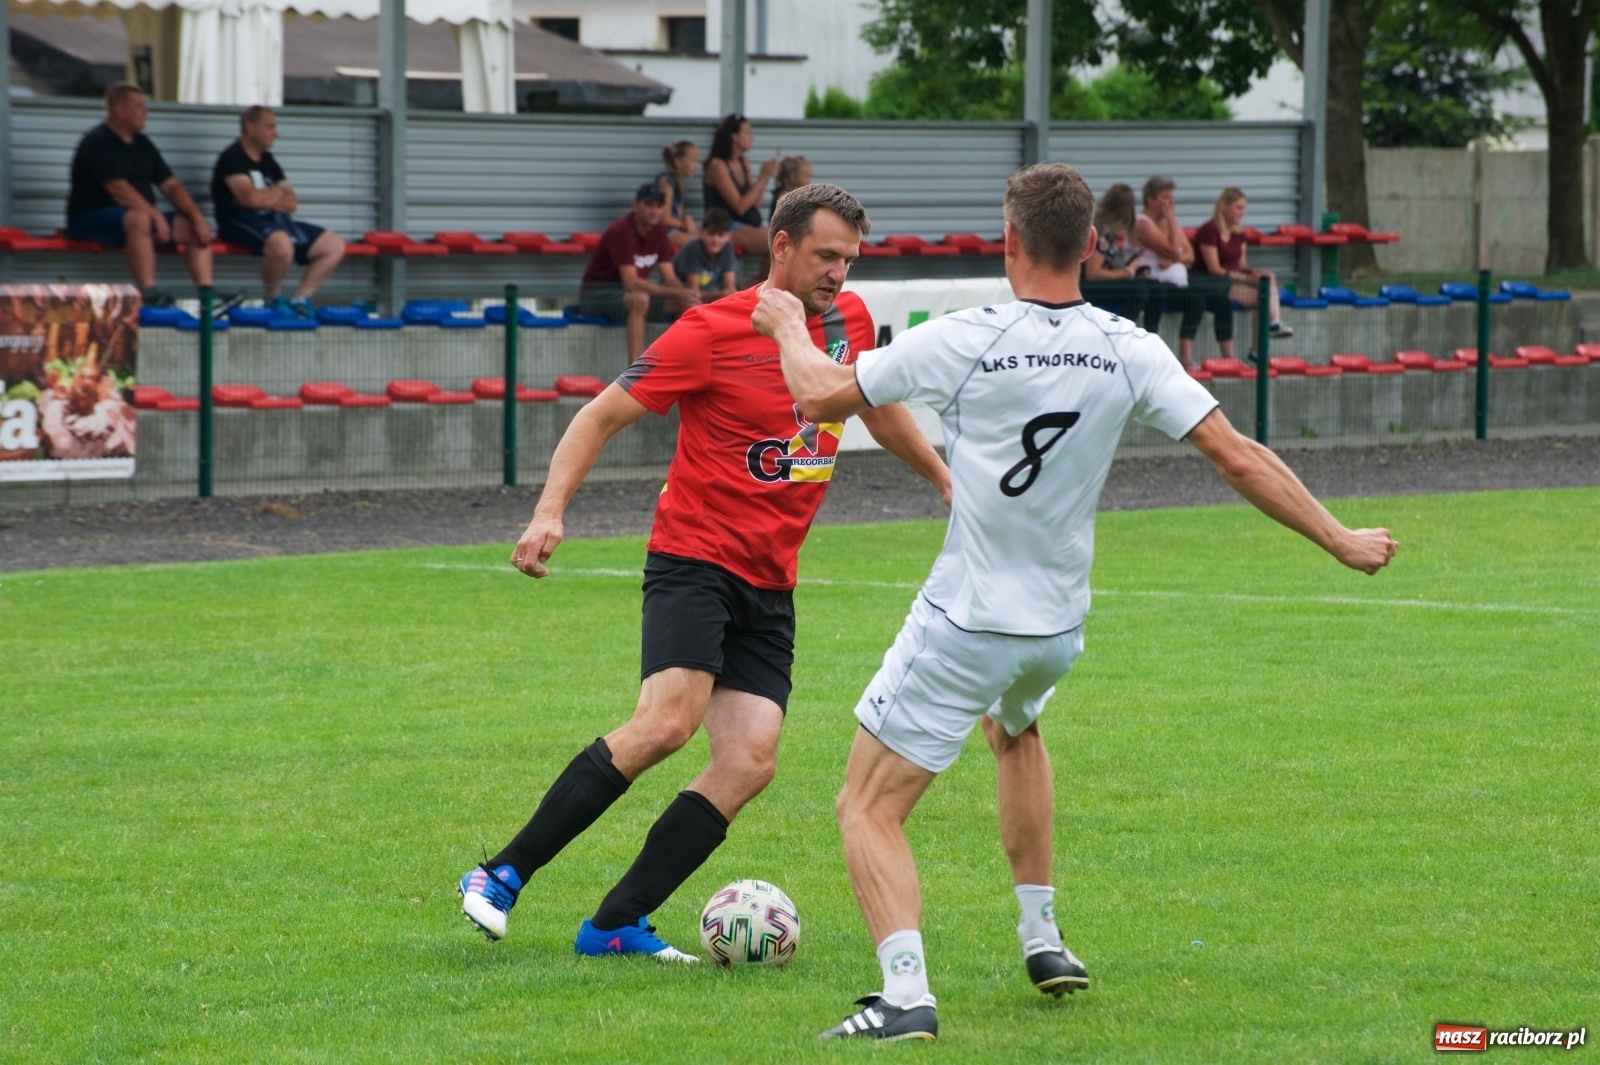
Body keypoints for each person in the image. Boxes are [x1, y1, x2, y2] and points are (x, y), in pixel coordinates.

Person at [752, 162, 1398, 1043]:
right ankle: (1042, 936)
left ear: (1008, 241)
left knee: (865, 806)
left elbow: (817, 395)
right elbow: (1237, 454)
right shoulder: (1128, 345)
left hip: (970, 619)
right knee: (1015, 730)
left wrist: (790, 322)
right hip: (1055, 627)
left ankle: (903, 996)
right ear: (1094, 245)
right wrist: (1341, 538)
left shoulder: (967, 334)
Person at [458, 183, 952, 964]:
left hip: (771, 578)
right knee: (666, 722)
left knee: (750, 759)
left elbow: (872, 407)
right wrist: (549, 511)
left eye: (849, 259)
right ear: (779, 247)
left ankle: (615, 922)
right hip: (695, 558)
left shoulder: (846, 322)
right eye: (826, 255)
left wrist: (944, 480)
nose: (838, 273)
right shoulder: (708, 330)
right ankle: (498, 873)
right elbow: (600, 415)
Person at [65, 82, 227, 311]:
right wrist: (156, 216)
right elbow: (118, 189)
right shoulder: (97, 141)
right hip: (91, 219)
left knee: (190, 226)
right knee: (140, 219)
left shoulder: (143, 144)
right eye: (139, 106)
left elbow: (170, 186)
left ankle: (208, 296)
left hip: (138, 218)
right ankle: (148, 292)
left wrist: (197, 217)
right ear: (119, 109)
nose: (145, 112)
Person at [211, 106, 347, 320]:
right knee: (281, 244)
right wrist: (276, 192)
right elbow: (250, 201)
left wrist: (265, 197)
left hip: (275, 220)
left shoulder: (268, 161)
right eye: (270, 127)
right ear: (249, 127)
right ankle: (273, 298)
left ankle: (301, 299)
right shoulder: (232, 158)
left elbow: (292, 202)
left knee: (333, 244)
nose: (276, 133)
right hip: (238, 221)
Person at [578, 183, 701, 362]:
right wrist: (678, 291)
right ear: (635, 205)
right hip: (597, 295)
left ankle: (680, 363)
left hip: (628, 295)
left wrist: (685, 294)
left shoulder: (659, 232)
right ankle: (633, 371)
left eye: (659, 206)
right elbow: (631, 282)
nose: (654, 211)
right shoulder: (622, 231)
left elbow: (670, 277)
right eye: (649, 205)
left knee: (688, 304)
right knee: (639, 299)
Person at [1132, 176, 1233, 369]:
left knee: (1221, 301)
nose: (1171, 203)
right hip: (1155, 284)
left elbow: (1189, 255)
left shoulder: (1172, 224)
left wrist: (1173, 254)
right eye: (1166, 198)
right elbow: (1172, 249)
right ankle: (1183, 357)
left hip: (1178, 283)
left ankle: (1229, 356)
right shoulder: (1143, 223)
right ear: (1151, 200)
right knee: (1195, 300)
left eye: (1172, 198)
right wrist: (1172, 231)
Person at [1193, 187, 1292, 340]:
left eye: (1244, 208)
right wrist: (1245, 278)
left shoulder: (1239, 233)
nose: (1242, 212)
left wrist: (1254, 272)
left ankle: (1266, 335)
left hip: (1235, 279)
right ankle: (1273, 324)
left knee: (1267, 282)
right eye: (1238, 208)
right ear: (1223, 206)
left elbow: (1241, 266)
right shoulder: (1209, 231)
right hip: (1216, 283)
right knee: (1263, 296)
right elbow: (1214, 269)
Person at [704, 113, 779, 261]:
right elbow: (739, 206)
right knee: (779, 241)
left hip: (747, 224)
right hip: (725, 226)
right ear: (734, 136)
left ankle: (759, 283)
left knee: (781, 238)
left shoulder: (745, 163)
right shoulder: (717, 165)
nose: (752, 137)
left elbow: (754, 203)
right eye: (747, 132)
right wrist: (762, 178)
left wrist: (765, 179)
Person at [1079, 183, 1146, 323]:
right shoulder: (1103, 234)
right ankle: (1124, 329)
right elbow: (1093, 273)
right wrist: (1127, 272)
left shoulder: (1110, 232)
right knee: (1138, 291)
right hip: (1087, 286)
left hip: (1091, 284)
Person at [672, 208, 738, 299]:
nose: (715, 240)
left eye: (720, 235)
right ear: (701, 233)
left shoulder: (727, 247)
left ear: (728, 236)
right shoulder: (693, 248)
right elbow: (694, 290)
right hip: (680, 293)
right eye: (711, 234)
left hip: (709, 292)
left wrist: (729, 294)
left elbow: (730, 286)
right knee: (692, 301)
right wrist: (719, 295)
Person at [656, 139, 701, 248]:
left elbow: (678, 213)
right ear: (678, 162)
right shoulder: (667, 182)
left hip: (674, 229)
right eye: (693, 161)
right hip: (662, 231)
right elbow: (664, 219)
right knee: (699, 246)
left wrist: (686, 220)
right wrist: (684, 224)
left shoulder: (679, 182)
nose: (697, 166)